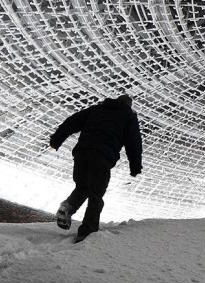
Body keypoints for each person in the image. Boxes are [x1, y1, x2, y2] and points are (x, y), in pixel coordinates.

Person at [49, 94, 143, 242]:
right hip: (102, 157)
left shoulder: (96, 109)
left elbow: (71, 122)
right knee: (96, 195)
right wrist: (135, 167)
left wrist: (56, 140)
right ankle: (87, 231)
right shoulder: (128, 116)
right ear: (128, 105)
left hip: (81, 153)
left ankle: (67, 207)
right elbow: (134, 143)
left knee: (83, 187)